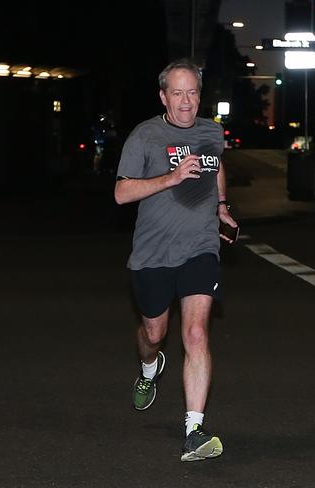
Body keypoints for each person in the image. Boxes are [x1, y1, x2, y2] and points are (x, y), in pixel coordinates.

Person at [114, 59, 238, 461]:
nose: (186, 102)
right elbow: (121, 193)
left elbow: (215, 164)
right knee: (154, 334)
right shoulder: (145, 136)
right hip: (152, 253)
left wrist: (221, 205)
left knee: (197, 334)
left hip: (200, 248)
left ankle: (194, 430)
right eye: (178, 93)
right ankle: (149, 368)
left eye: (193, 93)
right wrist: (170, 177)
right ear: (163, 96)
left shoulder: (211, 131)